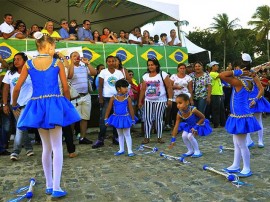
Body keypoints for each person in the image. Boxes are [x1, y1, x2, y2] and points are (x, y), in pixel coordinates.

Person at [12, 32, 81, 198]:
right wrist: (66, 105)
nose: (54, 49)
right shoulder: (56, 62)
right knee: (57, 146)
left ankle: (49, 185)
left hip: (37, 105)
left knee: (46, 147)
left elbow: (17, 87)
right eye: (54, 46)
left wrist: (14, 104)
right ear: (49, 46)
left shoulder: (28, 64)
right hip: (55, 104)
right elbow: (65, 87)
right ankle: (56, 186)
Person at [219, 55, 261, 178]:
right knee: (236, 143)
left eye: (236, 68)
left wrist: (238, 72)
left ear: (242, 70)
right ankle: (236, 164)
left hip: (241, 116)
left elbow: (222, 75)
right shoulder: (245, 80)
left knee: (241, 144)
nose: (234, 71)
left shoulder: (240, 81)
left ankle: (247, 167)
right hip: (238, 114)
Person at [2, 52, 34, 161]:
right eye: (14, 59)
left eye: (18, 59)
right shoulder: (10, 73)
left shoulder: (31, 72)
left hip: (28, 103)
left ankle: (16, 151)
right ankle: (28, 148)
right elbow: (6, 89)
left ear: (24, 61)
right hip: (15, 104)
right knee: (21, 127)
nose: (15, 61)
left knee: (20, 126)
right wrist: (5, 104)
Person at [92, 55, 124, 149]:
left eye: (113, 61)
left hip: (117, 99)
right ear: (107, 63)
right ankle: (100, 139)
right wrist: (100, 97)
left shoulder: (119, 73)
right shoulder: (103, 72)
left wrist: (122, 97)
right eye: (109, 61)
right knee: (103, 119)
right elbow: (100, 86)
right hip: (106, 99)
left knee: (116, 118)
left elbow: (122, 86)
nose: (111, 63)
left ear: (116, 62)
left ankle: (116, 137)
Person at [138, 58, 173, 144]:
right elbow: (143, 89)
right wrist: (140, 101)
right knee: (147, 119)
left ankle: (159, 137)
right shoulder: (145, 76)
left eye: (152, 64)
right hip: (148, 100)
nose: (150, 66)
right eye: (149, 65)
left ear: (156, 65)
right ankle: (147, 137)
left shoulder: (163, 74)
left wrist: (170, 99)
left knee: (159, 118)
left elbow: (169, 87)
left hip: (160, 100)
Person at [68, 51, 97, 144]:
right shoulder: (68, 68)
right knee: (72, 119)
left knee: (85, 118)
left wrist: (88, 63)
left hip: (86, 96)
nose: (77, 57)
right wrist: (71, 63)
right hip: (75, 98)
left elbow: (94, 72)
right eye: (74, 56)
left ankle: (82, 138)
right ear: (71, 58)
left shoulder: (84, 67)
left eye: (78, 56)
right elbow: (70, 76)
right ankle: (70, 139)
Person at [105, 79, 136, 157]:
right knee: (120, 134)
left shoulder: (127, 98)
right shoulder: (113, 98)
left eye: (127, 87)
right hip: (117, 118)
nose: (126, 89)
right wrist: (106, 118)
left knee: (127, 134)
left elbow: (131, 109)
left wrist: (132, 119)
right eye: (124, 87)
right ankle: (121, 149)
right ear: (118, 88)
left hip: (125, 118)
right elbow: (108, 108)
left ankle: (130, 150)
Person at [168, 63, 193, 130]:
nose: (182, 70)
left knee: (185, 112)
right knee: (175, 113)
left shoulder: (188, 77)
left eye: (183, 68)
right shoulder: (173, 76)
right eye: (181, 68)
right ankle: (176, 126)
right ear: (178, 69)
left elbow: (190, 89)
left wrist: (191, 99)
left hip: (185, 98)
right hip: (175, 98)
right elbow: (169, 86)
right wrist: (175, 87)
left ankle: (185, 126)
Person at [209, 61, 226, 128]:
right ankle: (216, 123)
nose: (218, 67)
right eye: (216, 65)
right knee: (216, 109)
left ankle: (222, 123)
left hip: (219, 93)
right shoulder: (212, 73)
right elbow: (221, 76)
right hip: (215, 94)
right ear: (213, 66)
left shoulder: (216, 73)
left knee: (221, 109)